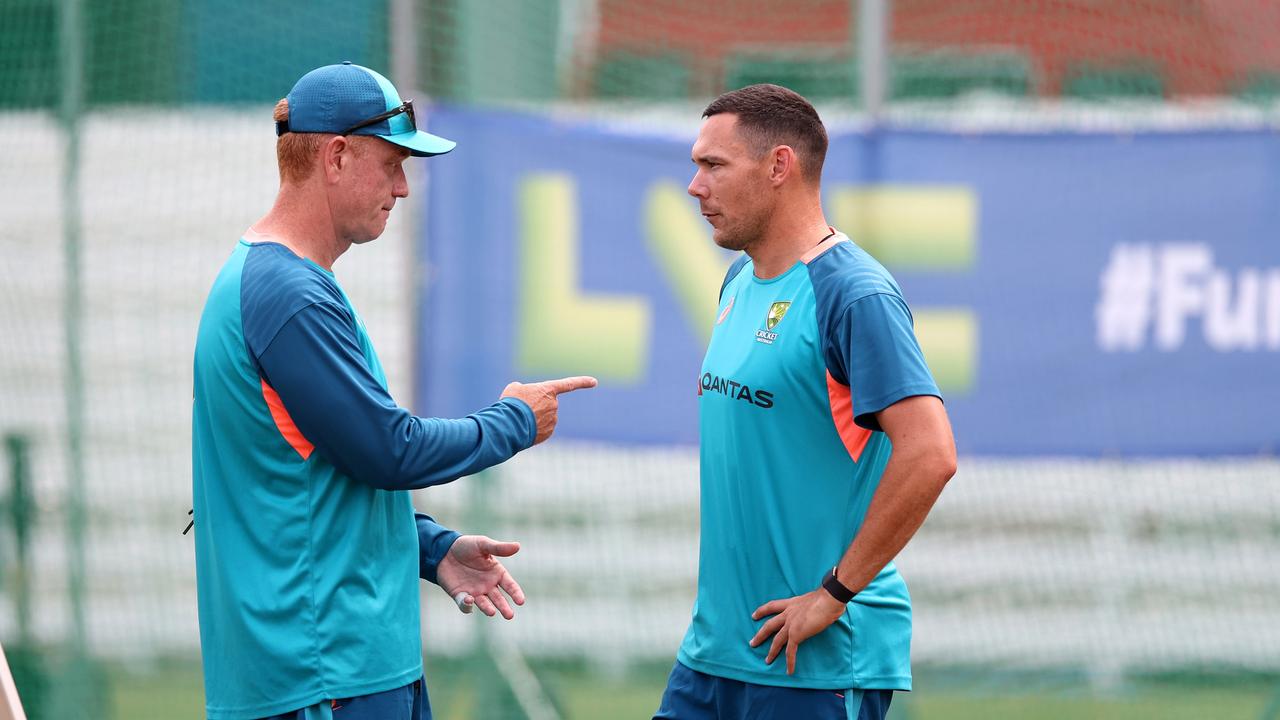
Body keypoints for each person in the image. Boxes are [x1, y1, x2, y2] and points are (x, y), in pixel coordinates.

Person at [191, 62, 596, 720]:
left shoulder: (279, 283)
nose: (404, 188)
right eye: (392, 164)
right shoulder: (287, 295)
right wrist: (515, 420)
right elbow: (389, 451)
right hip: (323, 671)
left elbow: (322, 480)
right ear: (338, 156)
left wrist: (432, 549)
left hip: (338, 662)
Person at [654, 84, 957, 720]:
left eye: (713, 165)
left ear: (779, 167)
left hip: (812, 663)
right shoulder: (739, 281)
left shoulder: (854, 294)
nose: (694, 186)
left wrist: (833, 594)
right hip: (714, 654)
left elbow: (931, 454)